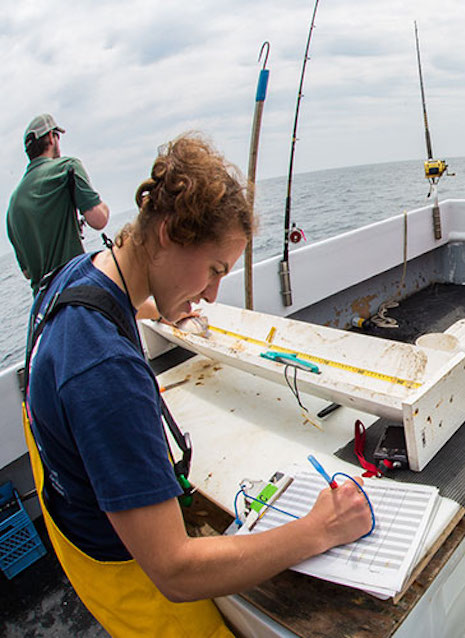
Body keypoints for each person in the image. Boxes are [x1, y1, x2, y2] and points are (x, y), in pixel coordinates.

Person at [22, 134, 372, 636]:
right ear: (167, 232)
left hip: (74, 521)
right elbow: (175, 569)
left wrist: (159, 304)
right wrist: (320, 529)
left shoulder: (79, 275)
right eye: (212, 270)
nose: (210, 294)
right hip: (133, 575)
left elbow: (117, 302)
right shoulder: (104, 372)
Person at [7, 114, 110, 294]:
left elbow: (27, 273)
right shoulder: (67, 167)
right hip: (77, 290)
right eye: (57, 136)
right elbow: (99, 220)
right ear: (51, 138)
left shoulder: (12, 206)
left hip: (44, 306)